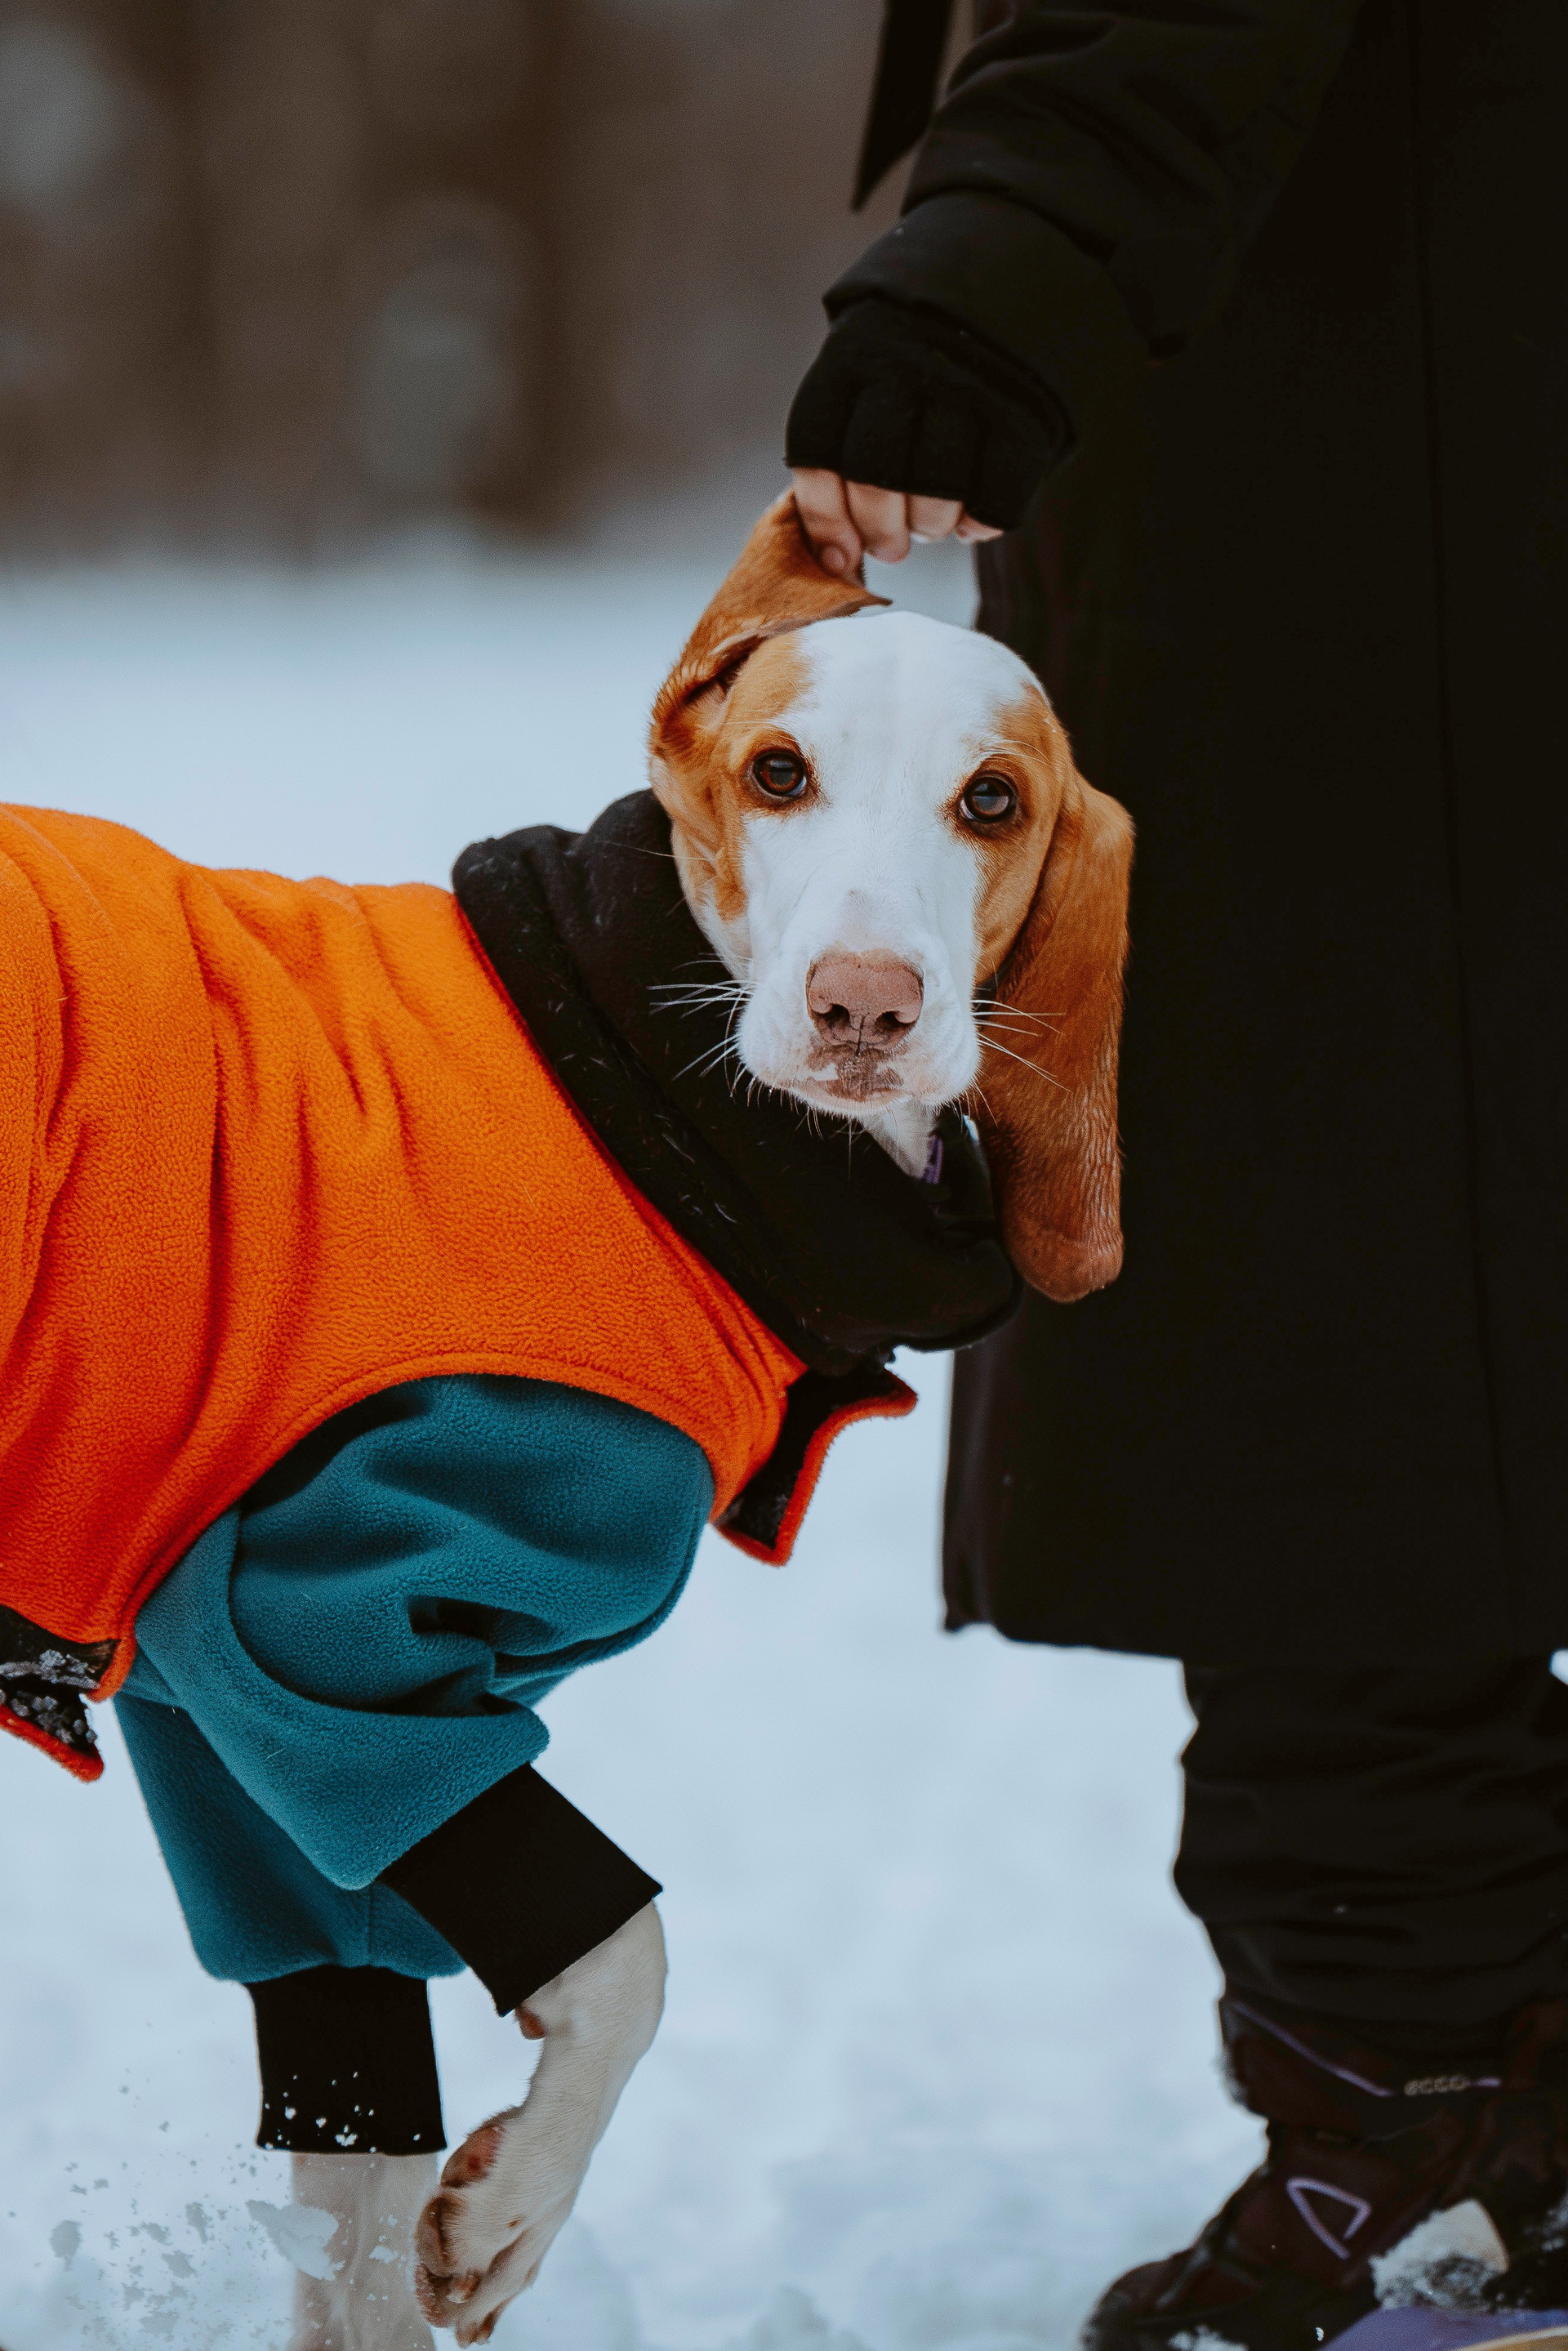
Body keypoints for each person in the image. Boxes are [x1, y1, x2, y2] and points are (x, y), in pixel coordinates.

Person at [786, 4, 1568, 2349]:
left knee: (1328, 1341)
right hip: (1396, 457)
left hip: (1354, 546)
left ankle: (1434, 2130)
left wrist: (991, 262)